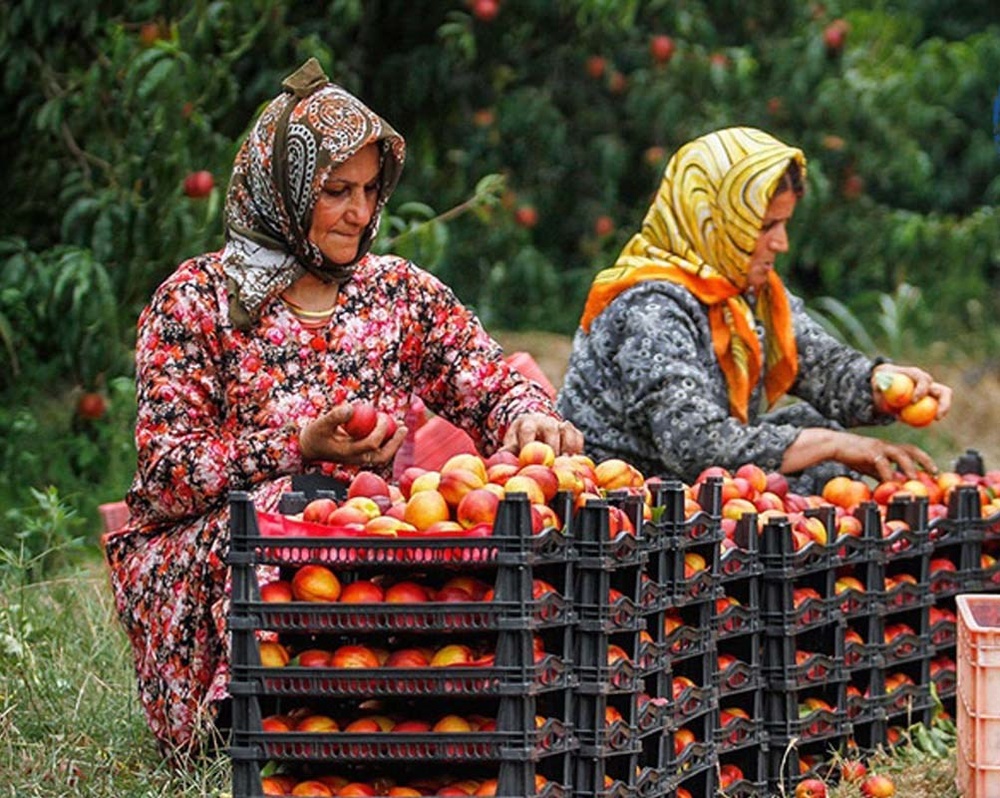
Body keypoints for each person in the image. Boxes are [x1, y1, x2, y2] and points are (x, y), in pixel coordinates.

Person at [102, 58, 582, 758]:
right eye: (335, 191)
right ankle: (249, 719)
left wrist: (528, 413)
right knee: (291, 506)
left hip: (360, 541)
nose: (361, 213)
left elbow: (488, 379)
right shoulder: (197, 300)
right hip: (222, 549)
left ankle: (381, 708)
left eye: (368, 190)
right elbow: (168, 472)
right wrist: (299, 445)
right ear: (283, 190)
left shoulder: (397, 294)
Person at [557, 126, 951, 493]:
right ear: (712, 221)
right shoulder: (651, 308)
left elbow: (823, 366)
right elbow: (696, 444)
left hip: (702, 487)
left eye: (783, 225)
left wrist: (884, 386)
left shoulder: (746, 293)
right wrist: (832, 444)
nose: (780, 244)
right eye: (765, 228)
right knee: (821, 451)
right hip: (631, 498)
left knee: (820, 439)